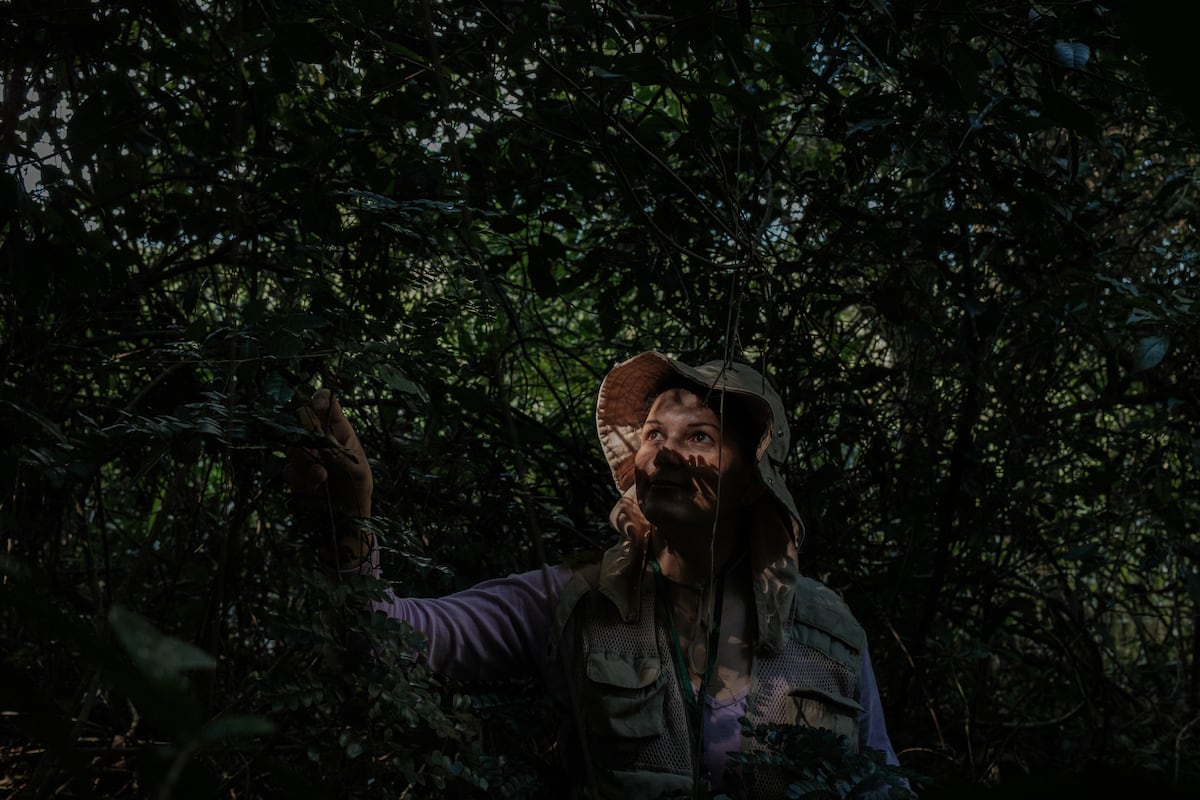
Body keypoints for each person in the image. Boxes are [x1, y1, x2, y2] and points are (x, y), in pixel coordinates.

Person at [285, 351, 908, 799]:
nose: (663, 452)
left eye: (699, 435)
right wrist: (349, 517)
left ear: (750, 482)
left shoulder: (826, 632)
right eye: (652, 434)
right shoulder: (575, 599)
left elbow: (884, 781)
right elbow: (390, 641)